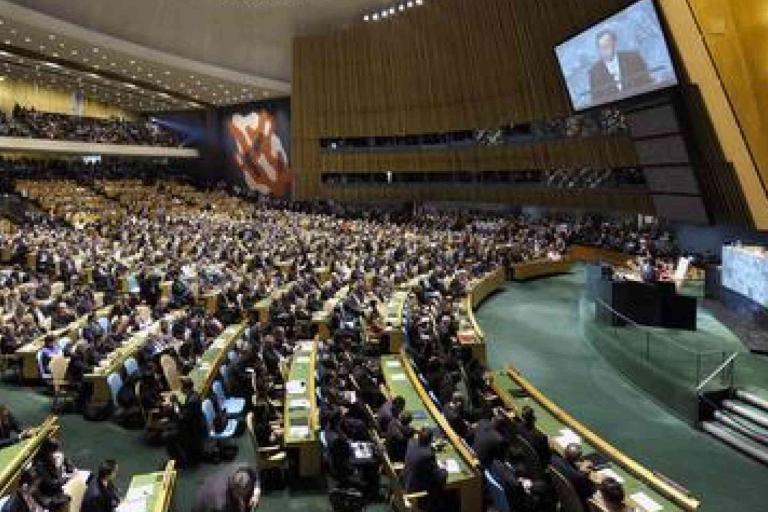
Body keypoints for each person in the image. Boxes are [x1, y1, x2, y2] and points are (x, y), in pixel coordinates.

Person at [589, 29, 653, 105]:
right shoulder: (594, 71)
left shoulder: (633, 58)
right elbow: (596, 99)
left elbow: (647, 82)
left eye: (607, 46)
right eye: (601, 47)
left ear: (614, 44)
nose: (604, 51)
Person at [403, 428, 448, 512]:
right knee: (441, 485)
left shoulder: (411, 442)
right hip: (416, 490)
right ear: (430, 440)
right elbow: (440, 476)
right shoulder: (427, 455)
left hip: (406, 479)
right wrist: (444, 468)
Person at [191, 464, 261, 512]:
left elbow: (255, 477)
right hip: (206, 503)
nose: (245, 495)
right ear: (234, 490)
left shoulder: (244, 469)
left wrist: (256, 492)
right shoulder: (220, 502)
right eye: (241, 494)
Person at [550, 443, 595, 507]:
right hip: (577, 505)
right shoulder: (579, 477)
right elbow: (588, 494)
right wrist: (583, 472)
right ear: (579, 458)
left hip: (557, 492)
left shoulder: (553, 459)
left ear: (564, 452)